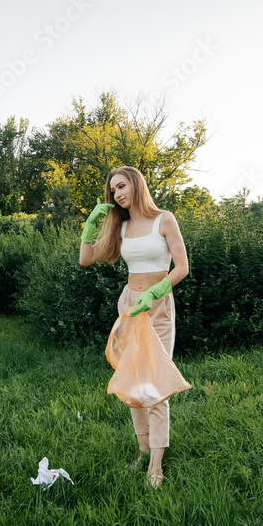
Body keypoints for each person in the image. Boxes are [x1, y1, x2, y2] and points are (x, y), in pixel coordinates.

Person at [78, 166, 189, 488]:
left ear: (136, 185)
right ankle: (143, 451)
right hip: (130, 305)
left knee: (155, 386)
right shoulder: (121, 227)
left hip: (158, 307)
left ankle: (156, 464)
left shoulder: (163, 219)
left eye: (122, 186)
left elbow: (182, 267)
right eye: (113, 190)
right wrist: (90, 224)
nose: (117, 194)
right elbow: (86, 259)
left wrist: (155, 292)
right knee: (134, 384)